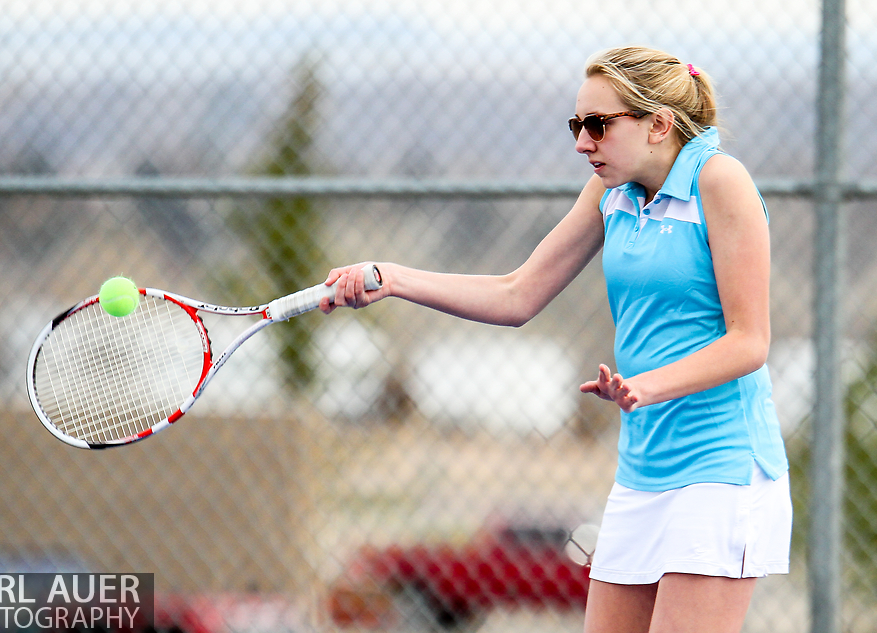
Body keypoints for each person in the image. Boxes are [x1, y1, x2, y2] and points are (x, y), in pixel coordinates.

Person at [320, 45, 791, 633]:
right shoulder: (611, 192)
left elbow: (750, 342)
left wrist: (646, 386)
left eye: (598, 125)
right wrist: (393, 279)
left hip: (721, 470)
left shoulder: (721, 182)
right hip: (643, 472)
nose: (581, 143)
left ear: (658, 124)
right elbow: (517, 295)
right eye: (576, 125)